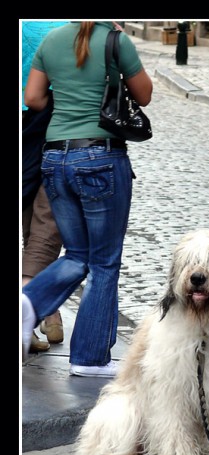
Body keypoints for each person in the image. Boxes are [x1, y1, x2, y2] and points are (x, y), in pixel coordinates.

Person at [21, 21, 153, 377]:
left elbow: (32, 98)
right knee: (104, 262)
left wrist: (64, 97)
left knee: (78, 254)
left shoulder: (51, 39)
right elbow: (144, 95)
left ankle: (28, 301)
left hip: (54, 157)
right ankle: (90, 359)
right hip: (100, 157)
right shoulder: (115, 41)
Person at [21, 20, 68, 353]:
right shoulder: (68, 26)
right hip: (51, 116)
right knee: (47, 215)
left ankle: (45, 310)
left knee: (30, 209)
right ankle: (43, 309)